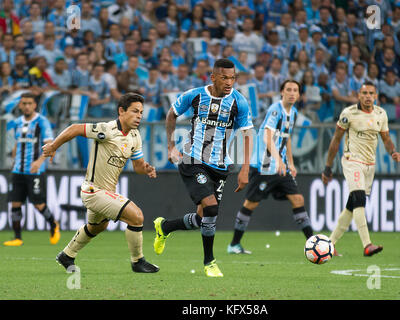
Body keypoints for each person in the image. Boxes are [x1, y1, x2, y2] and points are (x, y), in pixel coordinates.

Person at [153, 58, 253, 277]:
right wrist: (171, 146)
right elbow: (172, 113)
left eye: (233, 78)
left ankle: (165, 227)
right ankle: (210, 262)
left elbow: (247, 134)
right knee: (211, 208)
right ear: (213, 77)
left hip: (220, 166)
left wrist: (245, 168)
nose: (229, 82)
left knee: (203, 219)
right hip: (193, 160)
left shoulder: (239, 102)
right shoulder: (195, 95)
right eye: (224, 77)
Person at [41, 93, 159, 273]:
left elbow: (137, 166)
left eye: (141, 113)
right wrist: (53, 147)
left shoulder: (135, 136)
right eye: (135, 111)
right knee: (137, 217)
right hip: (93, 190)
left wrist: (147, 169)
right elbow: (74, 128)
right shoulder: (106, 129)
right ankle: (138, 261)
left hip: (107, 191)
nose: (139, 116)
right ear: (121, 111)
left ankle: (67, 255)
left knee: (97, 227)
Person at [228, 80, 314, 255]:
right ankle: (234, 245)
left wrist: (290, 162)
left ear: (298, 95)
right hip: (263, 166)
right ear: (281, 92)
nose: (291, 93)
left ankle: (313, 244)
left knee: (298, 200)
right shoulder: (275, 110)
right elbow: (267, 138)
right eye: (288, 89)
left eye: (295, 90)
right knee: (251, 204)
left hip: (281, 168)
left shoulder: (294, 113)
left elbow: (286, 138)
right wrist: (279, 160)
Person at [321, 82, 400, 257]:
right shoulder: (348, 114)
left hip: (369, 165)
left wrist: (393, 151)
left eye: (371, 93)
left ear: (376, 96)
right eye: (364, 93)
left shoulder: (381, 114)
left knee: (352, 205)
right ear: (358, 95)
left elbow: (386, 138)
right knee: (359, 198)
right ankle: (367, 244)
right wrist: (328, 166)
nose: (367, 96)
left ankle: (330, 244)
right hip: (352, 161)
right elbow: (335, 140)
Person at [4, 93, 60, 247]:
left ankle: (53, 224)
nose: (27, 106)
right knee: (15, 203)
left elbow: (50, 145)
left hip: (35, 170)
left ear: (35, 105)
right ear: (20, 105)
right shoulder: (17, 122)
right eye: (24, 103)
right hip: (18, 170)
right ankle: (17, 238)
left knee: (38, 204)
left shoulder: (42, 122)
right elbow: (18, 141)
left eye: (30, 103)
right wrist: (15, 156)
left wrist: (39, 161)